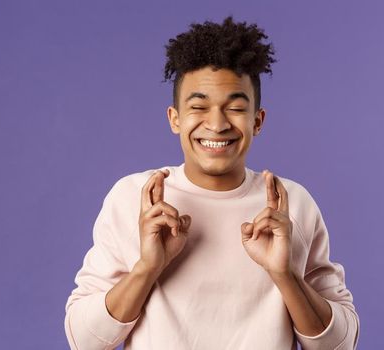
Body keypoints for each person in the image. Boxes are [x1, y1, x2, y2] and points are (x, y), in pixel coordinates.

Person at [64, 16, 359, 349]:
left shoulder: (290, 205)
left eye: (234, 108)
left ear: (257, 121)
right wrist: (147, 268)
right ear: (175, 119)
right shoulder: (134, 199)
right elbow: (84, 340)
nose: (217, 124)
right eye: (199, 107)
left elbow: (340, 344)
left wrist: (285, 274)